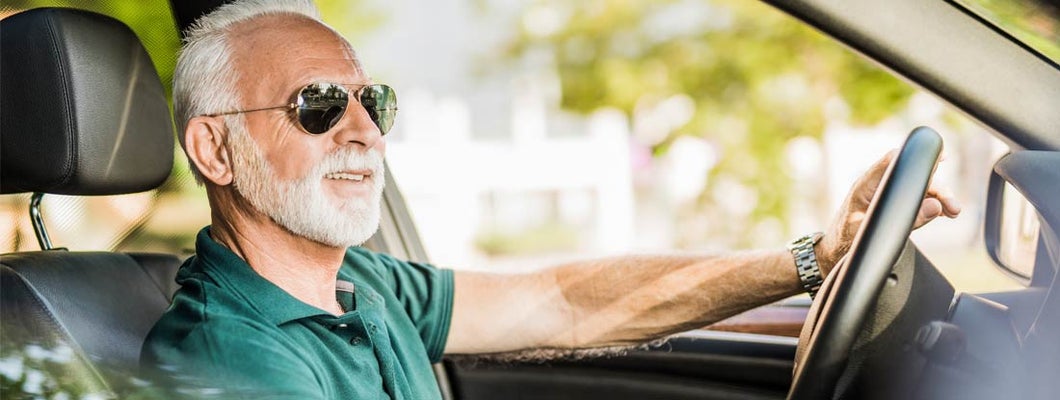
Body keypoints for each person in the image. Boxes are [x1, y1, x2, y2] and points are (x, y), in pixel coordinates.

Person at [140, 0, 962, 398]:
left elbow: (564, 302)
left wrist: (811, 258)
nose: (365, 133)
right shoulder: (228, 358)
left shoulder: (366, 282)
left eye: (373, 103)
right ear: (216, 148)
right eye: (319, 105)